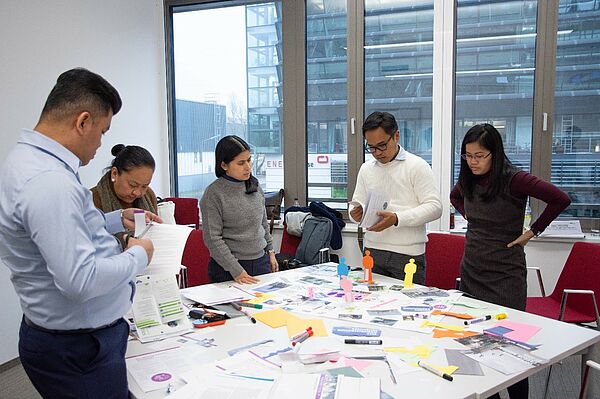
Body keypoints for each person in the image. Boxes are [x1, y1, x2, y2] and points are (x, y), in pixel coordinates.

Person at [0, 68, 160, 399]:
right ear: (83, 122)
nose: (102, 143)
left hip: (71, 339)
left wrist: (117, 220)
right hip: (77, 347)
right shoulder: (49, 182)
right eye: (102, 131)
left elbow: (69, 231)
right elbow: (80, 280)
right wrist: (138, 254)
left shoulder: (31, 164)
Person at [451, 123, 571, 399]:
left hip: (505, 275)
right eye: (468, 156)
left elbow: (560, 199)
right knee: (474, 344)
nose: (473, 162)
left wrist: (532, 231)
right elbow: (455, 196)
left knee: (510, 349)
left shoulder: (514, 179)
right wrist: (470, 216)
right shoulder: (469, 179)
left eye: (479, 155)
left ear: (495, 153)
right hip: (472, 268)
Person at [349, 111, 442, 284]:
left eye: (382, 145)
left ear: (396, 136)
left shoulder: (416, 166)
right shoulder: (366, 169)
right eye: (371, 147)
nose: (377, 153)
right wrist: (355, 213)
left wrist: (397, 218)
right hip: (372, 250)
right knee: (369, 304)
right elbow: (357, 202)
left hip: (408, 254)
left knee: (408, 307)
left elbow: (435, 207)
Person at [200, 135, 278, 284]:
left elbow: (263, 224)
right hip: (229, 269)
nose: (248, 167)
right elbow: (212, 239)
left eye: (249, 160)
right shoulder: (214, 194)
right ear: (224, 165)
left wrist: (271, 251)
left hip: (261, 262)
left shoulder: (255, 186)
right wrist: (236, 270)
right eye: (241, 163)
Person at [91, 144, 158, 214]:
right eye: (132, 185)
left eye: (144, 186)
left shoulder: (148, 195)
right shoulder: (91, 200)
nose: (137, 193)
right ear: (114, 174)